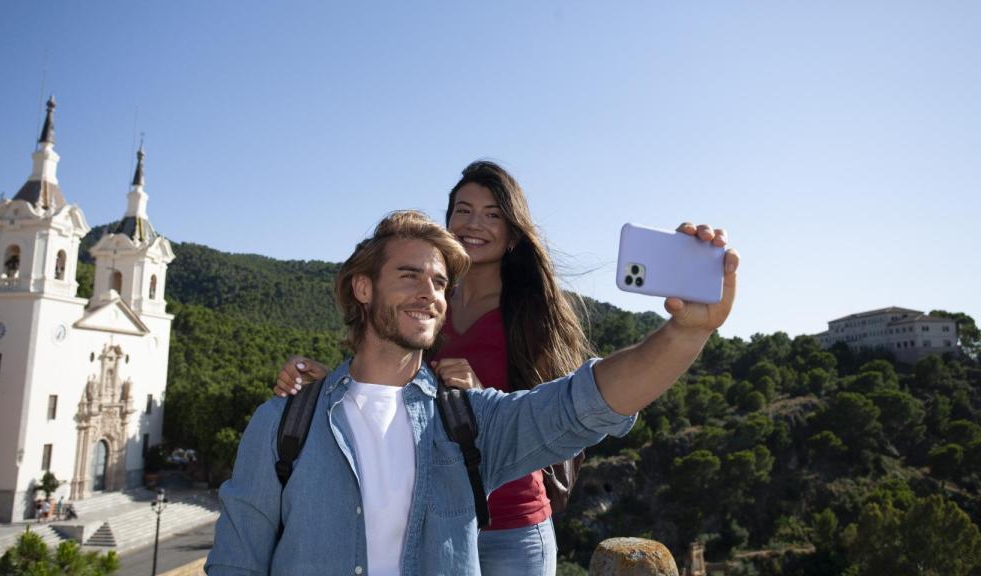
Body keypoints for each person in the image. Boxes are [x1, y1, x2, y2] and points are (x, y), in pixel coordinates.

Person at [207, 209, 740, 575]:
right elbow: (237, 562)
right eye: (410, 276)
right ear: (363, 289)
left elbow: (586, 403)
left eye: (440, 283)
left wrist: (687, 332)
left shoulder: (468, 425)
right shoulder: (284, 424)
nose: (430, 294)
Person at [275, 161, 597, 575]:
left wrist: (483, 399)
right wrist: (324, 382)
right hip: (431, 520)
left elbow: (558, 419)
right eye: (463, 210)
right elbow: (380, 375)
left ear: (514, 232)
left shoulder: (532, 314)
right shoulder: (424, 304)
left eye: (492, 214)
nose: (473, 223)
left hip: (513, 527)